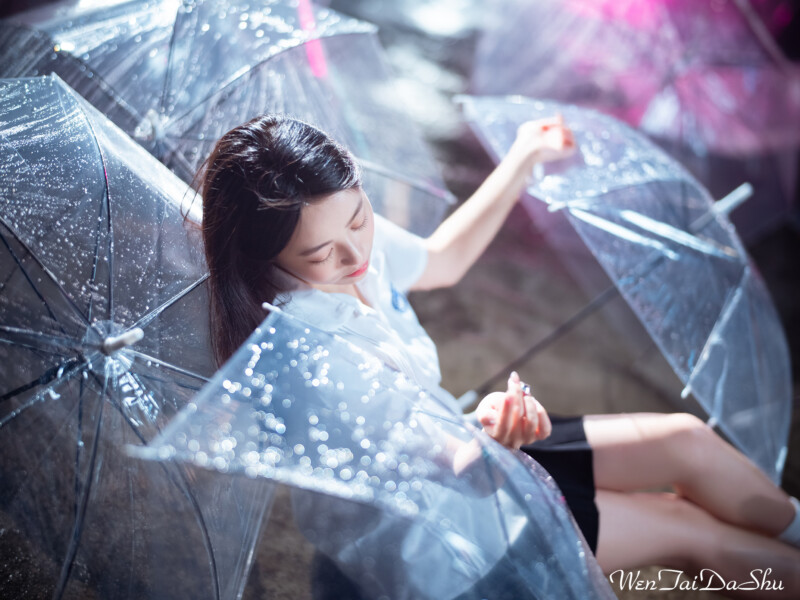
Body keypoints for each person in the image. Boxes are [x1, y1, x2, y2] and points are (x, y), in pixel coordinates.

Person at [200, 114, 800, 598]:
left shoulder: (335, 236)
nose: (355, 253)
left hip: (475, 451)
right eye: (321, 255)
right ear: (267, 265)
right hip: (449, 535)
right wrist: (495, 429)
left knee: (684, 440)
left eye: (360, 216)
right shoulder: (315, 362)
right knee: (693, 533)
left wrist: (521, 159)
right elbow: (460, 470)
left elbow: (441, 260)